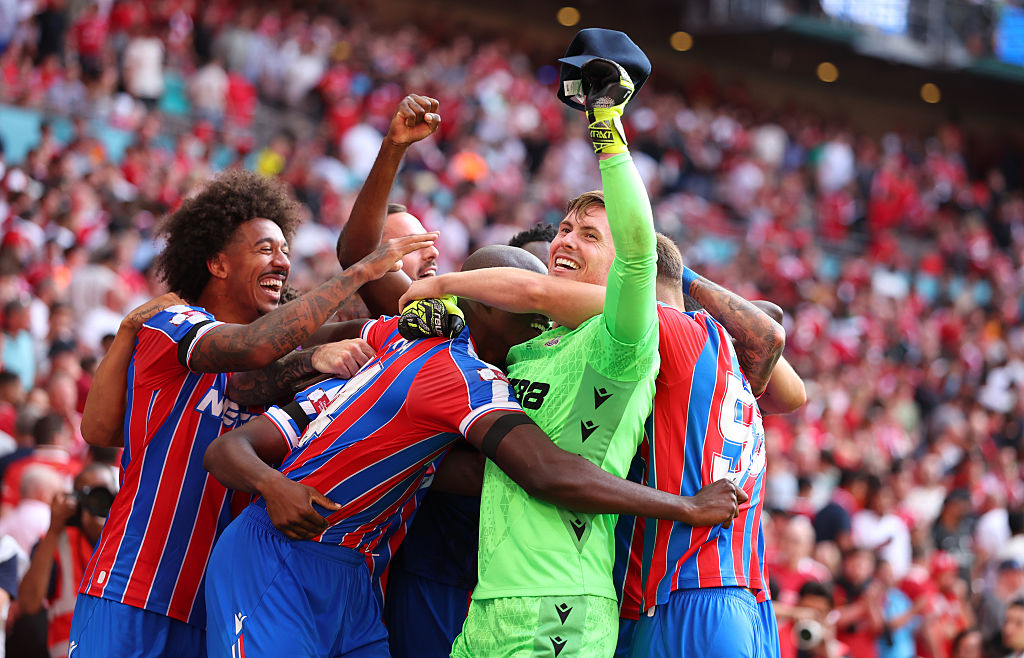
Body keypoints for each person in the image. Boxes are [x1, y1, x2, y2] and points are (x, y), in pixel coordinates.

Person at [201, 243, 744, 658]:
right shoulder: (460, 375)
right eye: (528, 311)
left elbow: (485, 476)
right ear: (481, 307)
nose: (543, 323)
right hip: (281, 555)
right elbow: (543, 472)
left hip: (357, 575)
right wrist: (686, 507)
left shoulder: (406, 343)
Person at [68, 169, 437, 658]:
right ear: (218, 264)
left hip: (225, 604)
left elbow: (372, 332)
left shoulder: (288, 353)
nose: (282, 263)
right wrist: (362, 270)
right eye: (266, 249)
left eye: (285, 250)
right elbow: (251, 350)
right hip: (135, 587)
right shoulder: (173, 322)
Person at [17, 463, 118, 658]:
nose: (96, 503)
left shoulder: (129, 539)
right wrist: (54, 529)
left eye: (103, 495)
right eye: (88, 496)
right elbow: (29, 604)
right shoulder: (56, 543)